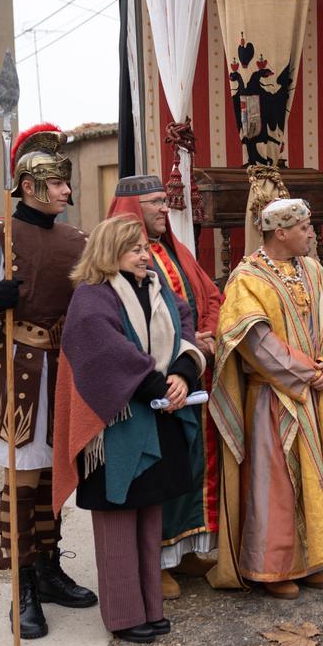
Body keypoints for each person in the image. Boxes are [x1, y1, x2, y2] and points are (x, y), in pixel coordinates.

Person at [0, 122, 96, 639]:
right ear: (30, 185)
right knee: (23, 479)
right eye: (59, 183)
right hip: (19, 368)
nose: (67, 192)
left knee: (54, 478)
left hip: (64, 368)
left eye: (67, 182)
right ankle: (22, 585)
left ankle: (50, 569)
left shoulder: (78, 239)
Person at [52, 216, 205, 644]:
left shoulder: (155, 287)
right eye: (134, 248)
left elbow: (184, 324)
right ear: (109, 252)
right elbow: (103, 351)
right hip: (115, 424)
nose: (144, 254)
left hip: (157, 415)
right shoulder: (91, 297)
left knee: (149, 510)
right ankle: (122, 615)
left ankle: (149, 608)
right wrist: (157, 383)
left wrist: (182, 372)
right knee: (118, 516)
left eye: (145, 247)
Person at [207, 197, 323, 598]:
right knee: (276, 483)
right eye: (305, 227)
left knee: (316, 475)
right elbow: (255, 342)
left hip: (315, 392)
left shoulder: (314, 270)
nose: (312, 233)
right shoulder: (246, 279)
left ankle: (312, 559)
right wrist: (312, 373)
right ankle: (272, 568)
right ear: (281, 232)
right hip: (273, 398)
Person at [106, 175, 222, 599]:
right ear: (132, 210)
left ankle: (186, 547)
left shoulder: (174, 249)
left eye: (164, 202)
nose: (163, 210)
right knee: (154, 469)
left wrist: (203, 338)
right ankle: (155, 558)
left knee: (189, 462)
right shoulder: (123, 263)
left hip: (189, 373)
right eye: (155, 203)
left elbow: (206, 298)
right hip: (150, 384)